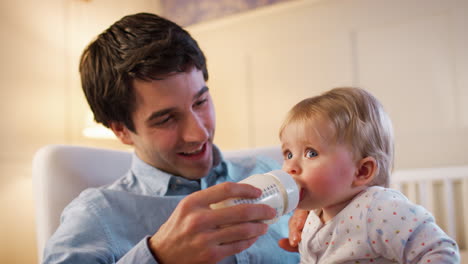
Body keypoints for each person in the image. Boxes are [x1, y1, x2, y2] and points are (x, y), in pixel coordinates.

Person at [43, 13, 299, 263]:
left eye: (200, 102)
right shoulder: (95, 216)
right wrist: (158, 257)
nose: (199, 133)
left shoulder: (268, 170)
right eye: (166, 119)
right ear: (121, 130)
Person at [279, 87, 460, 263]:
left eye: (311, 153)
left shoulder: (378, 210)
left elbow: (440, 250)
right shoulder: (314, 215)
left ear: (362, 171)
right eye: (288, 154)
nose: (290, 167)